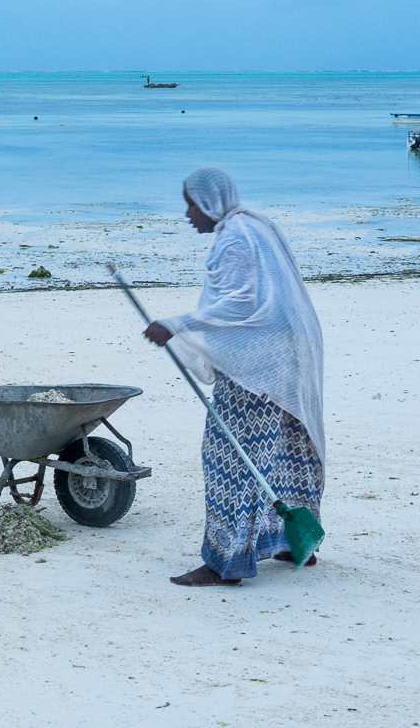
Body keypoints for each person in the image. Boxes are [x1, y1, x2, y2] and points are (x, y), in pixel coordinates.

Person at [143, 167, 324, 587]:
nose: (188, 213)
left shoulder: (236, 238)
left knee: (227, 457)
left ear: (210, 201)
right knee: (281, 447)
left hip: (257, 365)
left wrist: (176, 324)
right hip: (290, 356)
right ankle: (293, 542)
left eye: (191, 203)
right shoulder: (256, 226)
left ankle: (226, 562)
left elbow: (241, 304)